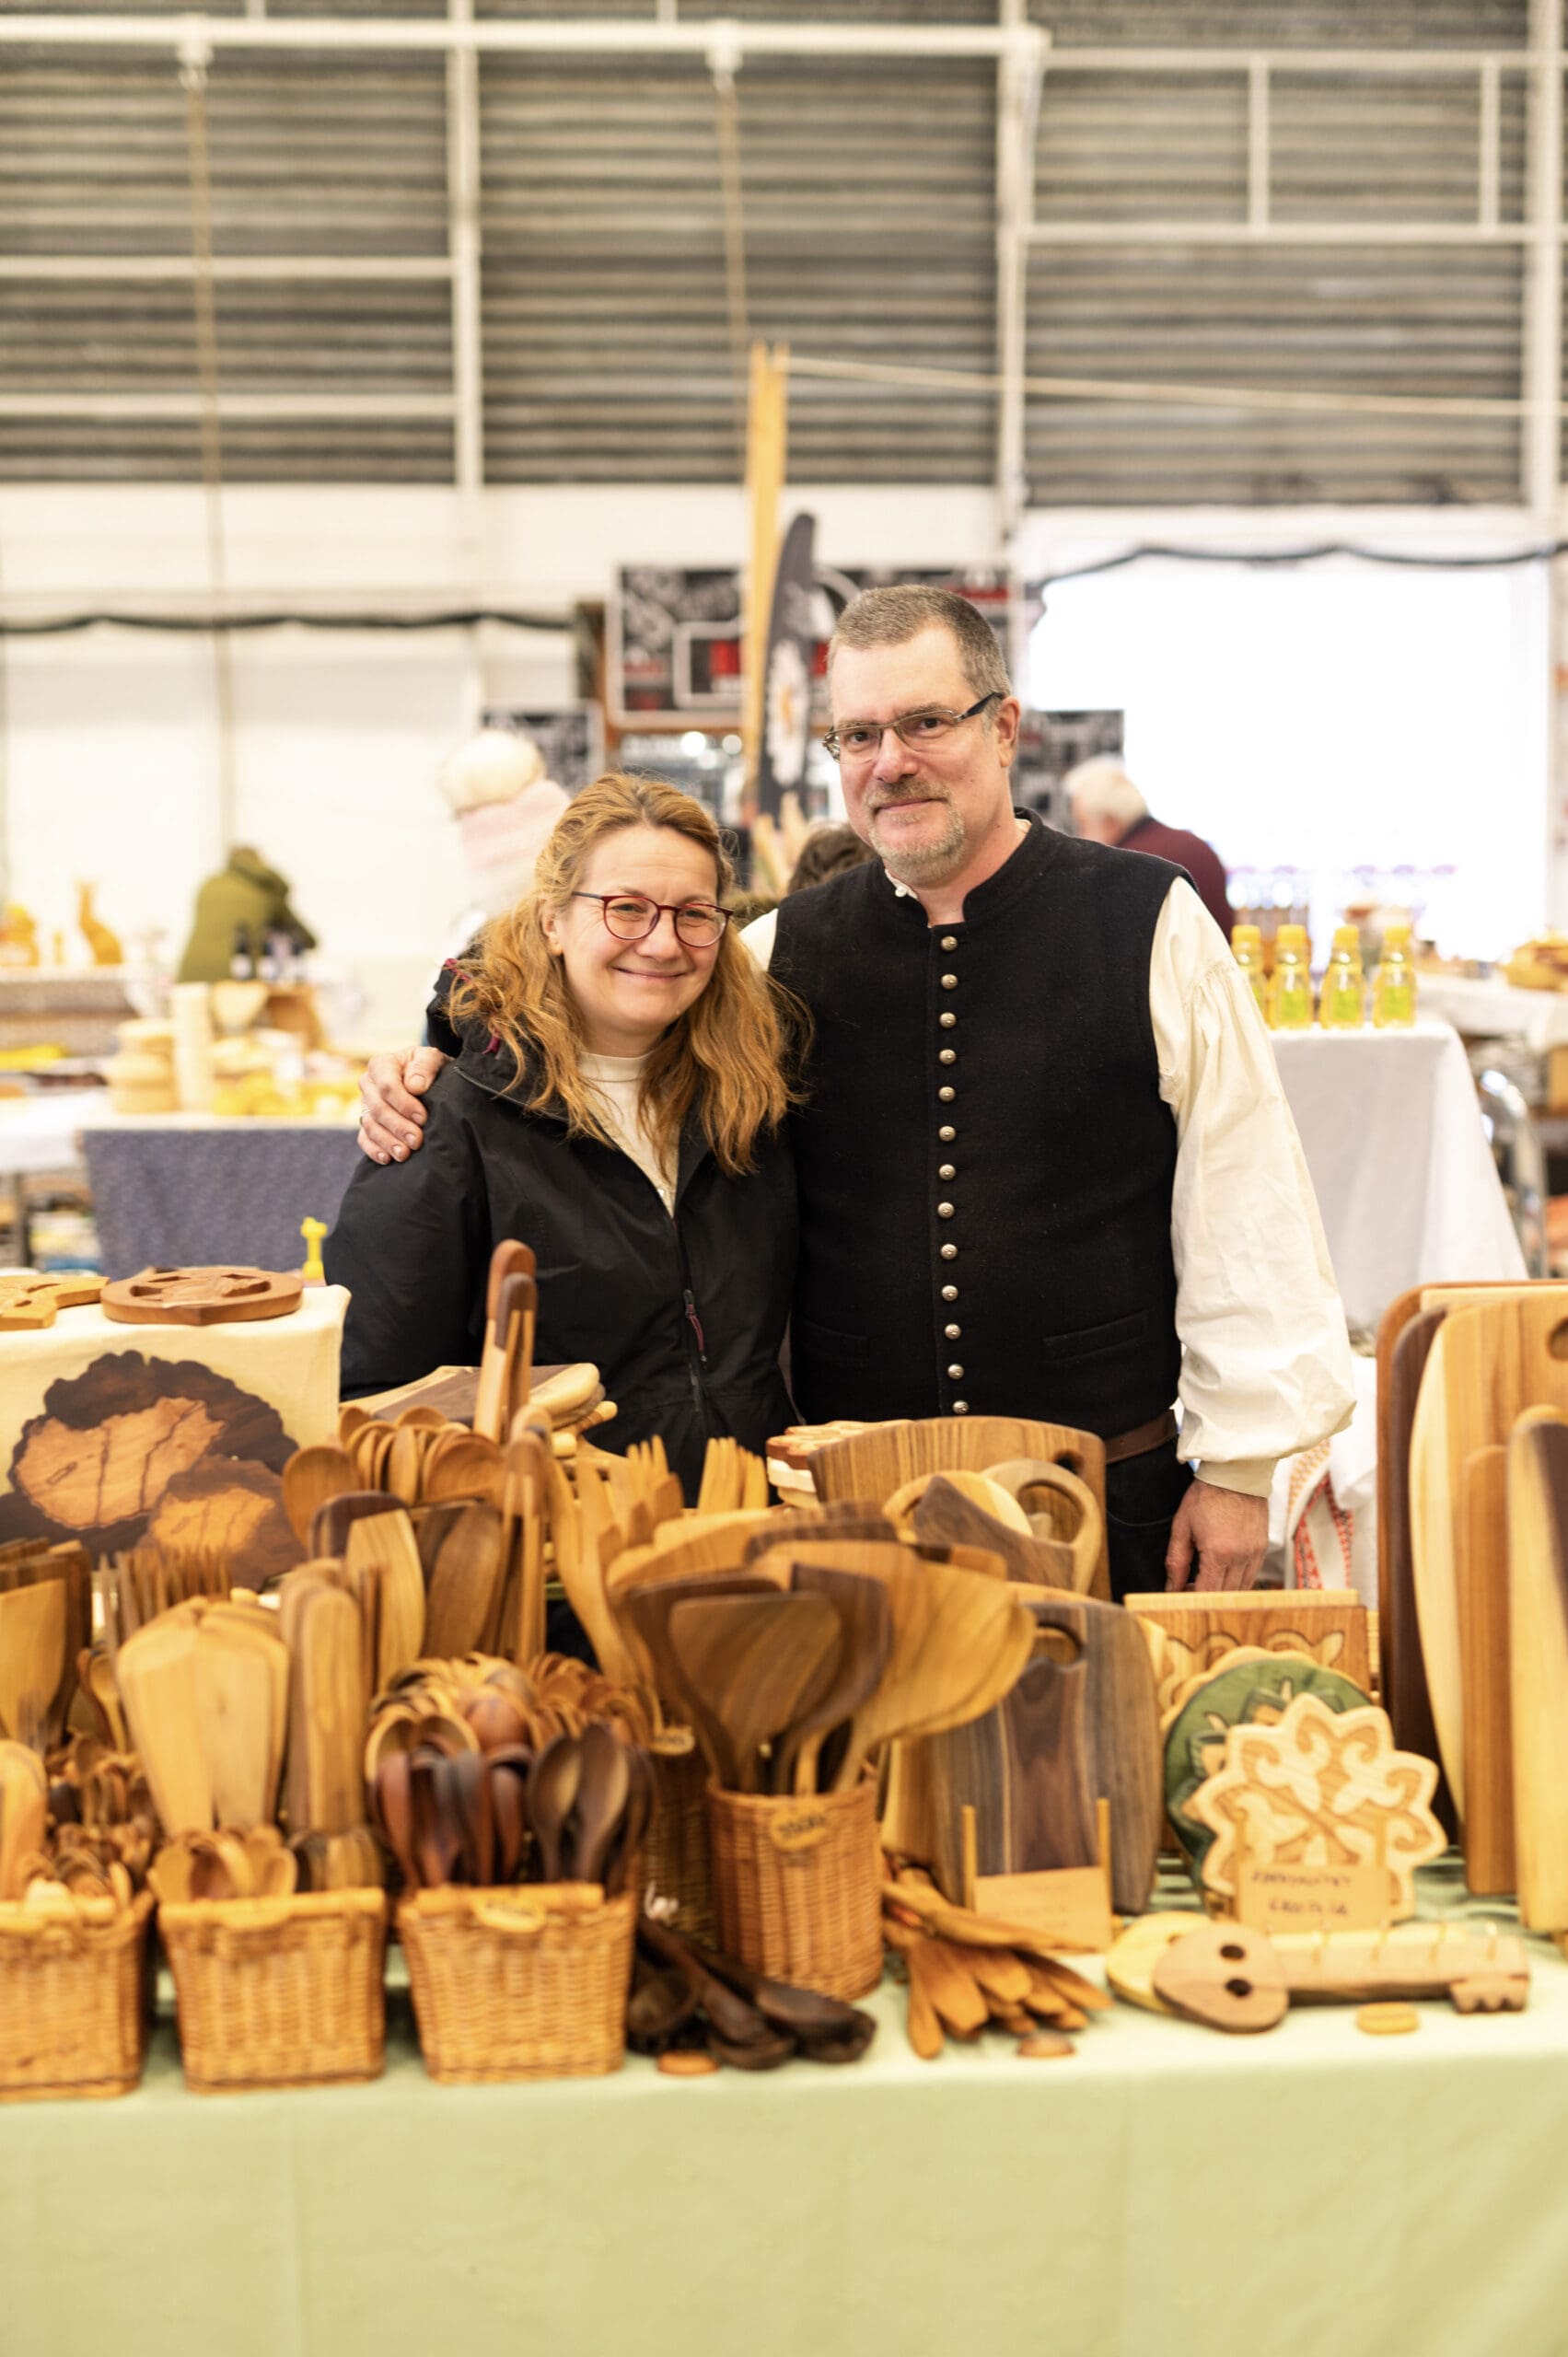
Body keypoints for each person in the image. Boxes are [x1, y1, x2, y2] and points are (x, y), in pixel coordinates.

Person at [359, 587, 1353, 1596]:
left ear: (1003, 728)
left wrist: (1236, 1471)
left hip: (1101, 1492)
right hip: (850, 1514)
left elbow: (1245, 1199)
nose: (890, 761)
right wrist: (436, 1049)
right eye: (858, 734)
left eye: (925, 722)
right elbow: (593, 1016)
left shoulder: (1148, 920)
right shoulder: (777, 951)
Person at [327, 772, 797, 1501]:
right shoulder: (447, 1123)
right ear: (552, 920)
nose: (662, 942)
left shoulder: (755, 1096)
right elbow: (377, 1394)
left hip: (742, 1515)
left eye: (693, 914)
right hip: (557, 1532)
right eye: (625, 909)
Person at [1064, 755, 1234, 940]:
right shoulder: (1193, 844)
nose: (1080, 836)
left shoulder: (1127, 866)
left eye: (1082, 825)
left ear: (1110, 822)